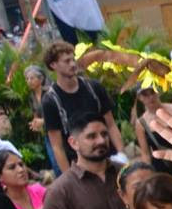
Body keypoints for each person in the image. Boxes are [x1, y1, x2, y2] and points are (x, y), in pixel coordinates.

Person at [41, 117, 128, 209]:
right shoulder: (59, 193)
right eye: (91, 136)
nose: (101, 140)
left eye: (104, 134)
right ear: (73, 143)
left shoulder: (127, 173)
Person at [41, 41, 122, 175]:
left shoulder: (94, 88)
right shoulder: (51, 101)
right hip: (80, 166)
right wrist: (70, 176)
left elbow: (111, 125)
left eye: (73, 59)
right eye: (66, 61)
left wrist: (121, 154)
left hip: (108, 158)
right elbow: (57, 145)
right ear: (53, 65)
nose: (72, 64)